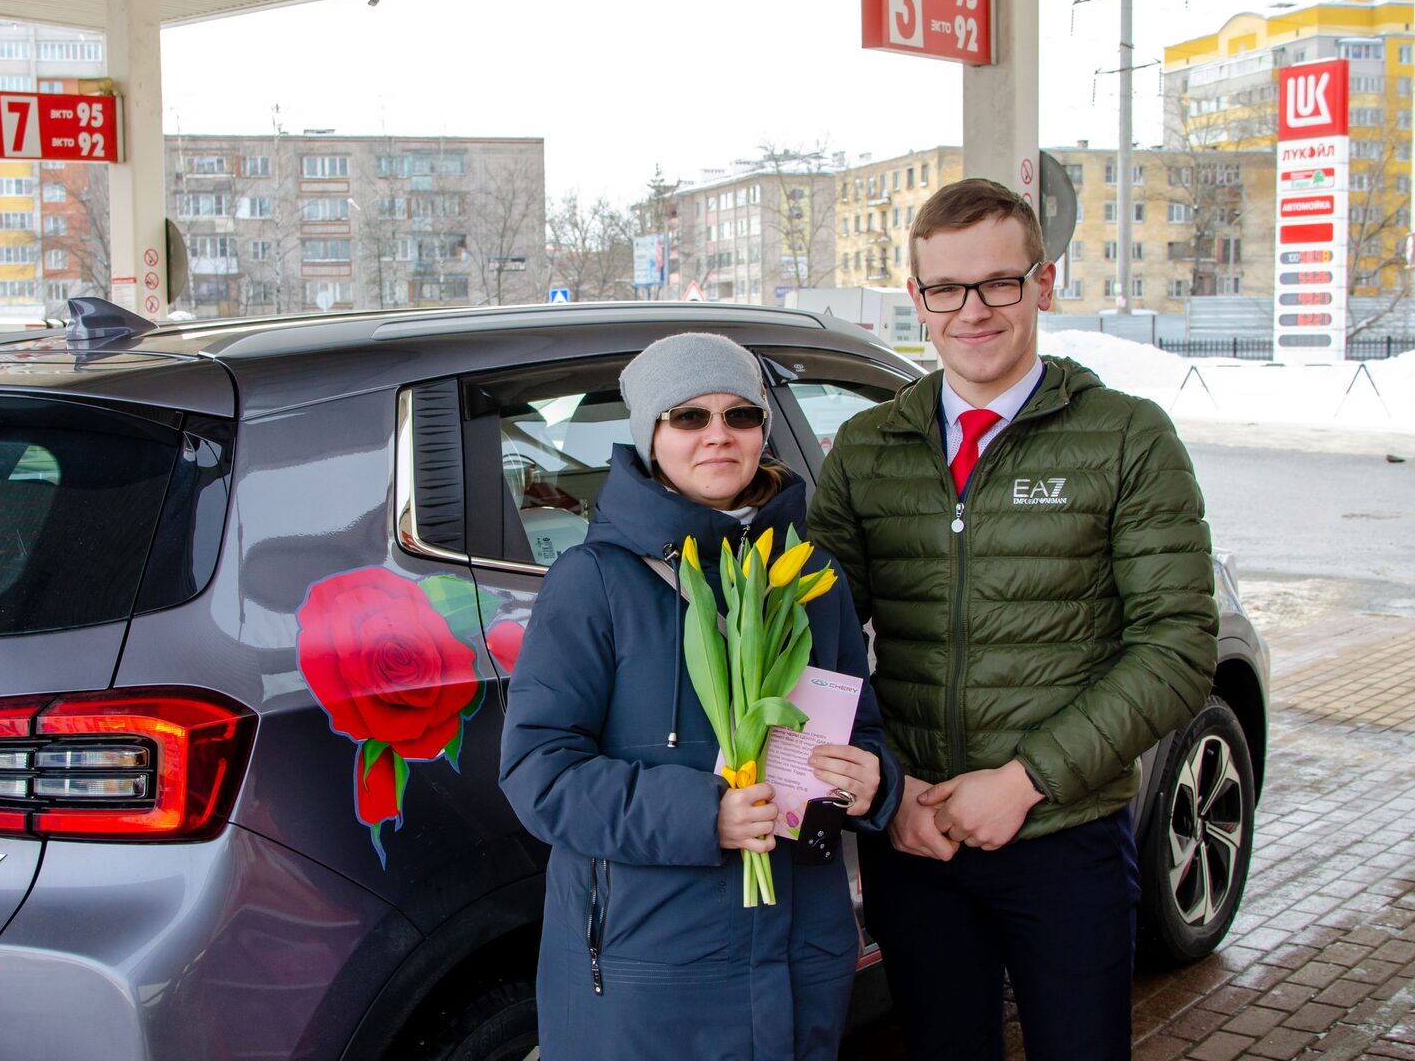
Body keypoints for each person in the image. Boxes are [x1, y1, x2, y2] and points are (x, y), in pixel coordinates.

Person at [805, 177, 1218, 1061]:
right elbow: (817, 646)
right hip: (916, 836)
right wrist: (889, 789)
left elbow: (1179, 647)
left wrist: (1025, 779)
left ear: (1044, 280)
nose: (974, 310)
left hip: (1062, 838)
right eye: (947, 289)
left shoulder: (1124, 437)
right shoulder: (870, 449)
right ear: (917, 300)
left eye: (999, 281)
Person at [499, 332, 902, 1061]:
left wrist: (875, 779)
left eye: (741, 414)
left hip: (797, 963)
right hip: (651, 981)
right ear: (651, 434)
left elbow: (861, 728)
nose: (719, 433)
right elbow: (540, 773)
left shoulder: (812, 577)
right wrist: (703, 814)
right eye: (689, 416)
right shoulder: (595, 583)